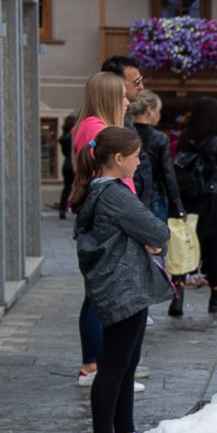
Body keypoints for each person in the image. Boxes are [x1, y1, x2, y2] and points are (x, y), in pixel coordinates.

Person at [70, 127, 168, 433]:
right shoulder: (115, 194)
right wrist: (151, 240)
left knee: (126, 364)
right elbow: (156, 230)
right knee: (113, 367)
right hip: (123, 287)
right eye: (136, 156)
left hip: (125, 285)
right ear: (118, 158)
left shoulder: (103, 191)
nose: (139, 162)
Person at [71, 72, 130, 385]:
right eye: (121, 95)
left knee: (97, 296)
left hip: (104, 220)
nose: (127, 101)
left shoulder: (93, 126)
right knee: (99, 297)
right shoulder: (97, 128)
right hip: (108, 223)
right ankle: (96, 367)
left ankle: (97, 365)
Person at [172, 98, 217, 315]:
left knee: (186, 244)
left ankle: (178, 293)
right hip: (211, 198)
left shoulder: (186, 138)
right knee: (213, 247)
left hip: (190, 198)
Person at [128, 91, 184, 224]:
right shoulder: (159, 138)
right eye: (158, 110)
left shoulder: (127, 133)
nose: (160, 114)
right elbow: (168, 173)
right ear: (149, 111)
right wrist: (178, 206)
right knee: (156, 239)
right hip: (154, 193)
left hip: (130, 190)